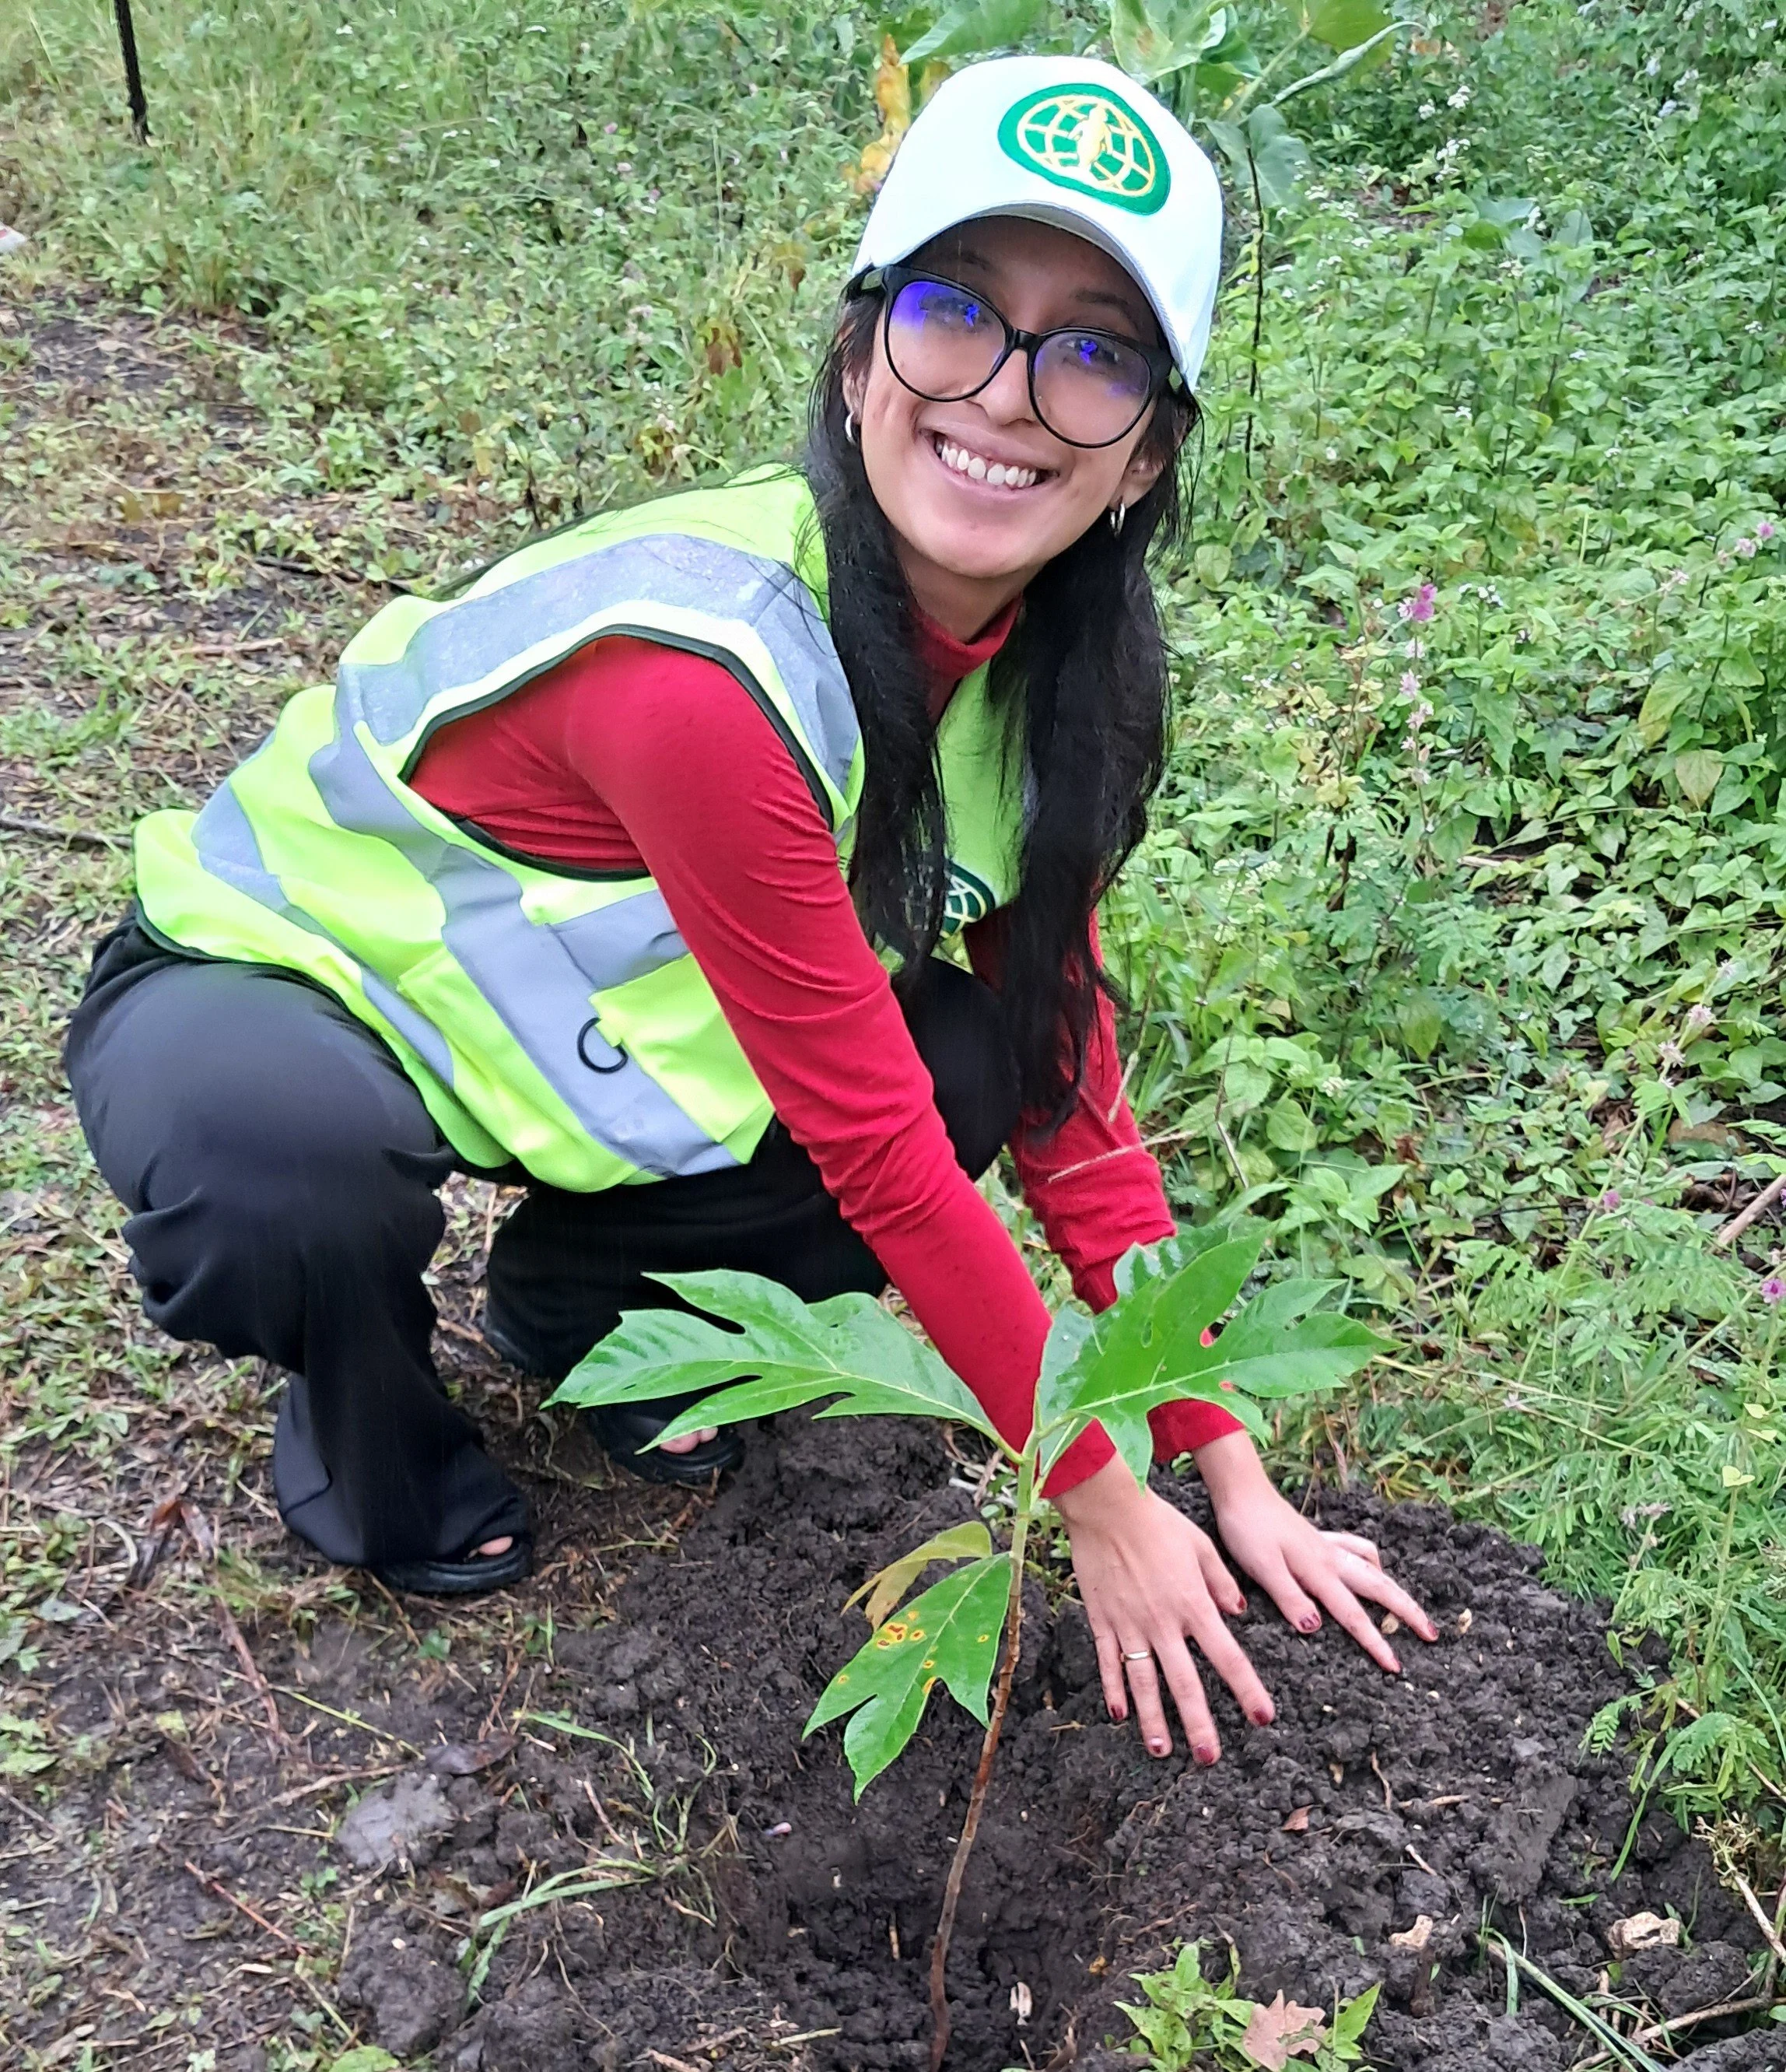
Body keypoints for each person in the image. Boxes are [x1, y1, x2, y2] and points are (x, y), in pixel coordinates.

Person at [66, 55, 1434, 1762]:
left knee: (972, 1053)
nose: (1007, 395)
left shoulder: (1048, 692)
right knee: (280, 1179)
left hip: (569, 1038)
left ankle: (583, 1318)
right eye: (957, 312)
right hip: (293, 994)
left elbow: (1061, 1079)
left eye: (1091, 351)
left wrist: (1219, 1456)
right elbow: (867, 1151)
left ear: (1148, 452)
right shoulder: (708, 667)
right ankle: (373, 1448)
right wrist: (1092, 1492)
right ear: (862, 351)